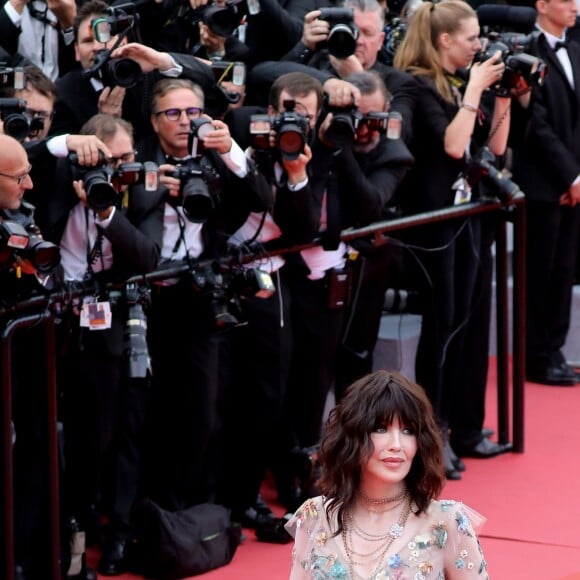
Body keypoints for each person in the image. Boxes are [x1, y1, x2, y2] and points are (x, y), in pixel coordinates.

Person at [134, 77, 272, 522]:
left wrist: (230, 148)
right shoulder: (140, 157)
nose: (184, 122)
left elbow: (261, 197)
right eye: (172, 113)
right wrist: (158, 189)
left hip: (200, 295)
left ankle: (194, 511)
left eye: (193, 112)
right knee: (148, 410)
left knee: (203, 408)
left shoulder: (215, 156)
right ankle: (148, 511)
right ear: (154, 122)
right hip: (147, 300)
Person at [392, 0, 513, 478]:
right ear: (444, 40)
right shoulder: (416, 86)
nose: (478, 45)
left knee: (463, 325)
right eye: (470, 38)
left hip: (469, 217)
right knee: (441, 328)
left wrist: (502, 97)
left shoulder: (466, 84)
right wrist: (476, 92)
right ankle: (431, 433)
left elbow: (494, 149)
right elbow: (451, 145)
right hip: (434, 224)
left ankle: (460, 426)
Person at [48, 114, 161, 576]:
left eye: (124, 160)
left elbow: (148, 255)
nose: (115, 170)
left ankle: (118, 534)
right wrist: (72, 148)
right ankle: (74, 532)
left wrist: (106, 212)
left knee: (126, 435)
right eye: (105, 161)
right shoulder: (56, 187)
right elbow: (38, 150)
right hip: (62, 330)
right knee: (81, 439)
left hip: (123, 326)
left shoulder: (144, 191)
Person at [285, 369, 489, 579]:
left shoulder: (446, 523)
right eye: (380, 429)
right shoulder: (315, 516)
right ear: (352, 437)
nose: (396, 445)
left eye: (408, 431)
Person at [511, 0, 580, 386]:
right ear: (542, 5)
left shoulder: (575, 49)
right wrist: (570, 176)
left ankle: (553, 350)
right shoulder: (525, 52)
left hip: (574, 183)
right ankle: (535, 355)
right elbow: (534, 123)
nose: (575, 6)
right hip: (541, 183)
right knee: (539, 271)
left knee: (564, 269)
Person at [48, 0, 221, 141]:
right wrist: (104, 123)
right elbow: (62, 158)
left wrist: (162, 60)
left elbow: (217, 89)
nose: (97, 46)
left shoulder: (148, 74)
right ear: (77, 51)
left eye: (105, 36)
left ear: (123, 41)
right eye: (87, 41)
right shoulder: (64, 93)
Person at [0, 0, 77, 80]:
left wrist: (69, 24)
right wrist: (15, 6)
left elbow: (81, 62)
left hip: (61, 88)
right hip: (14, 86)